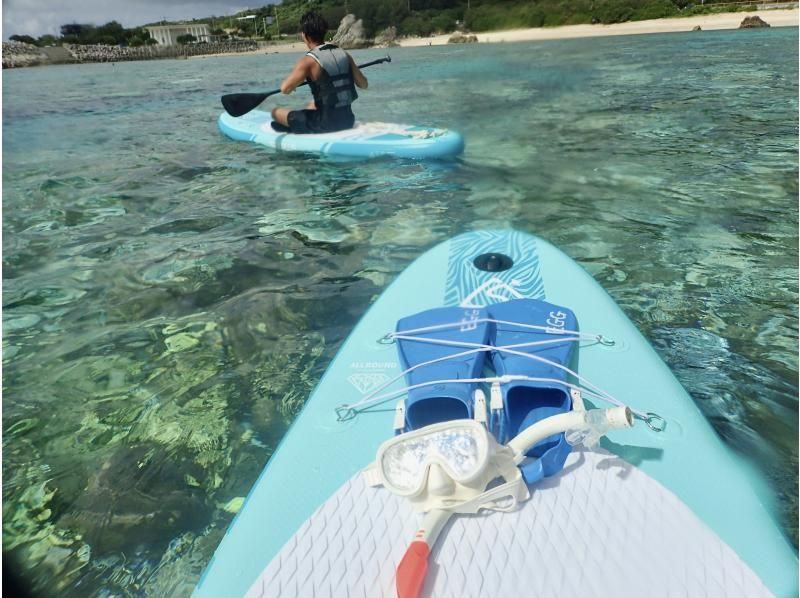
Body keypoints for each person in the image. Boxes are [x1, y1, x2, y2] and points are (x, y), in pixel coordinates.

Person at [271, 11, 368, 134]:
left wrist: (293, 85)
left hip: (325, 124)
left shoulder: (308, 61)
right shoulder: (344, 54)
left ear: (305, 35)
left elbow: (285, 89)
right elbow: (364, 84)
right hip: (348, 120)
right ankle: (298, 125)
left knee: (275, 112)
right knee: (312, 104)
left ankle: (295, 127)